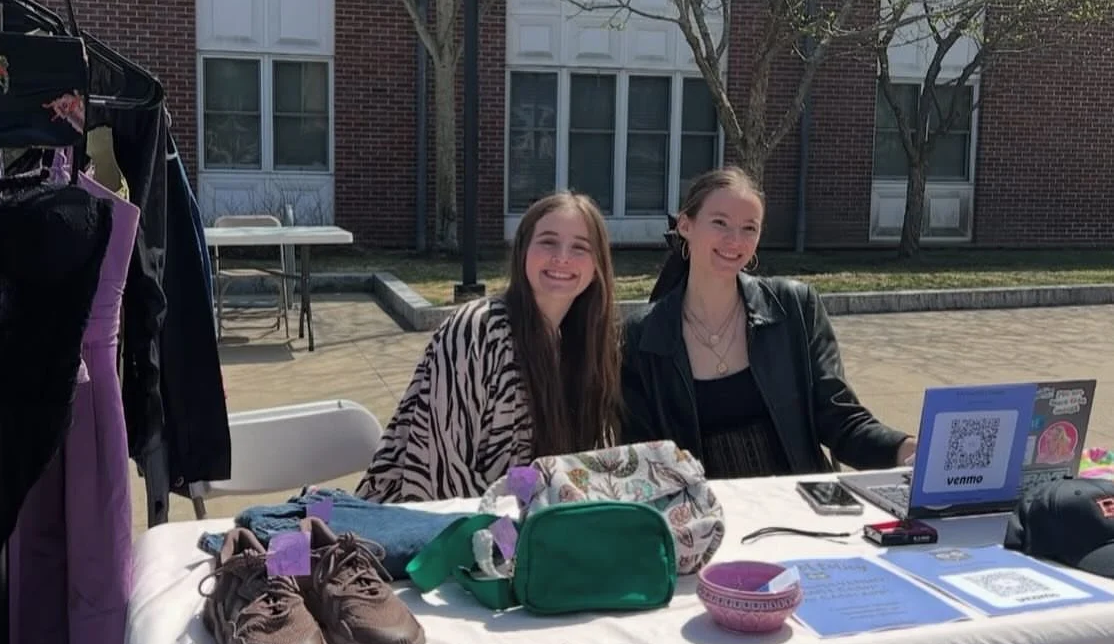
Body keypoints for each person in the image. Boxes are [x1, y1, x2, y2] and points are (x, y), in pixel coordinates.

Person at [621, 167, 915, 477]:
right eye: (720, 222)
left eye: (749, 228)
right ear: (685, 225)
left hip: (796, 498)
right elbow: (642, 458)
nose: (735, 240)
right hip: (700, 504)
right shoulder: (641, 337)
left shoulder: (795, 307)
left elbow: (840, 420)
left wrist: (905, 448)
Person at [356, 191, 620, 502]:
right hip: (426, 521)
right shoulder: (478, 329)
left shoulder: (583, 345)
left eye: (580, 247)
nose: (562, 257)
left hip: (526, 521)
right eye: (548, 242)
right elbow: (441, 478)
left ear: (597, 265)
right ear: (523, 251)